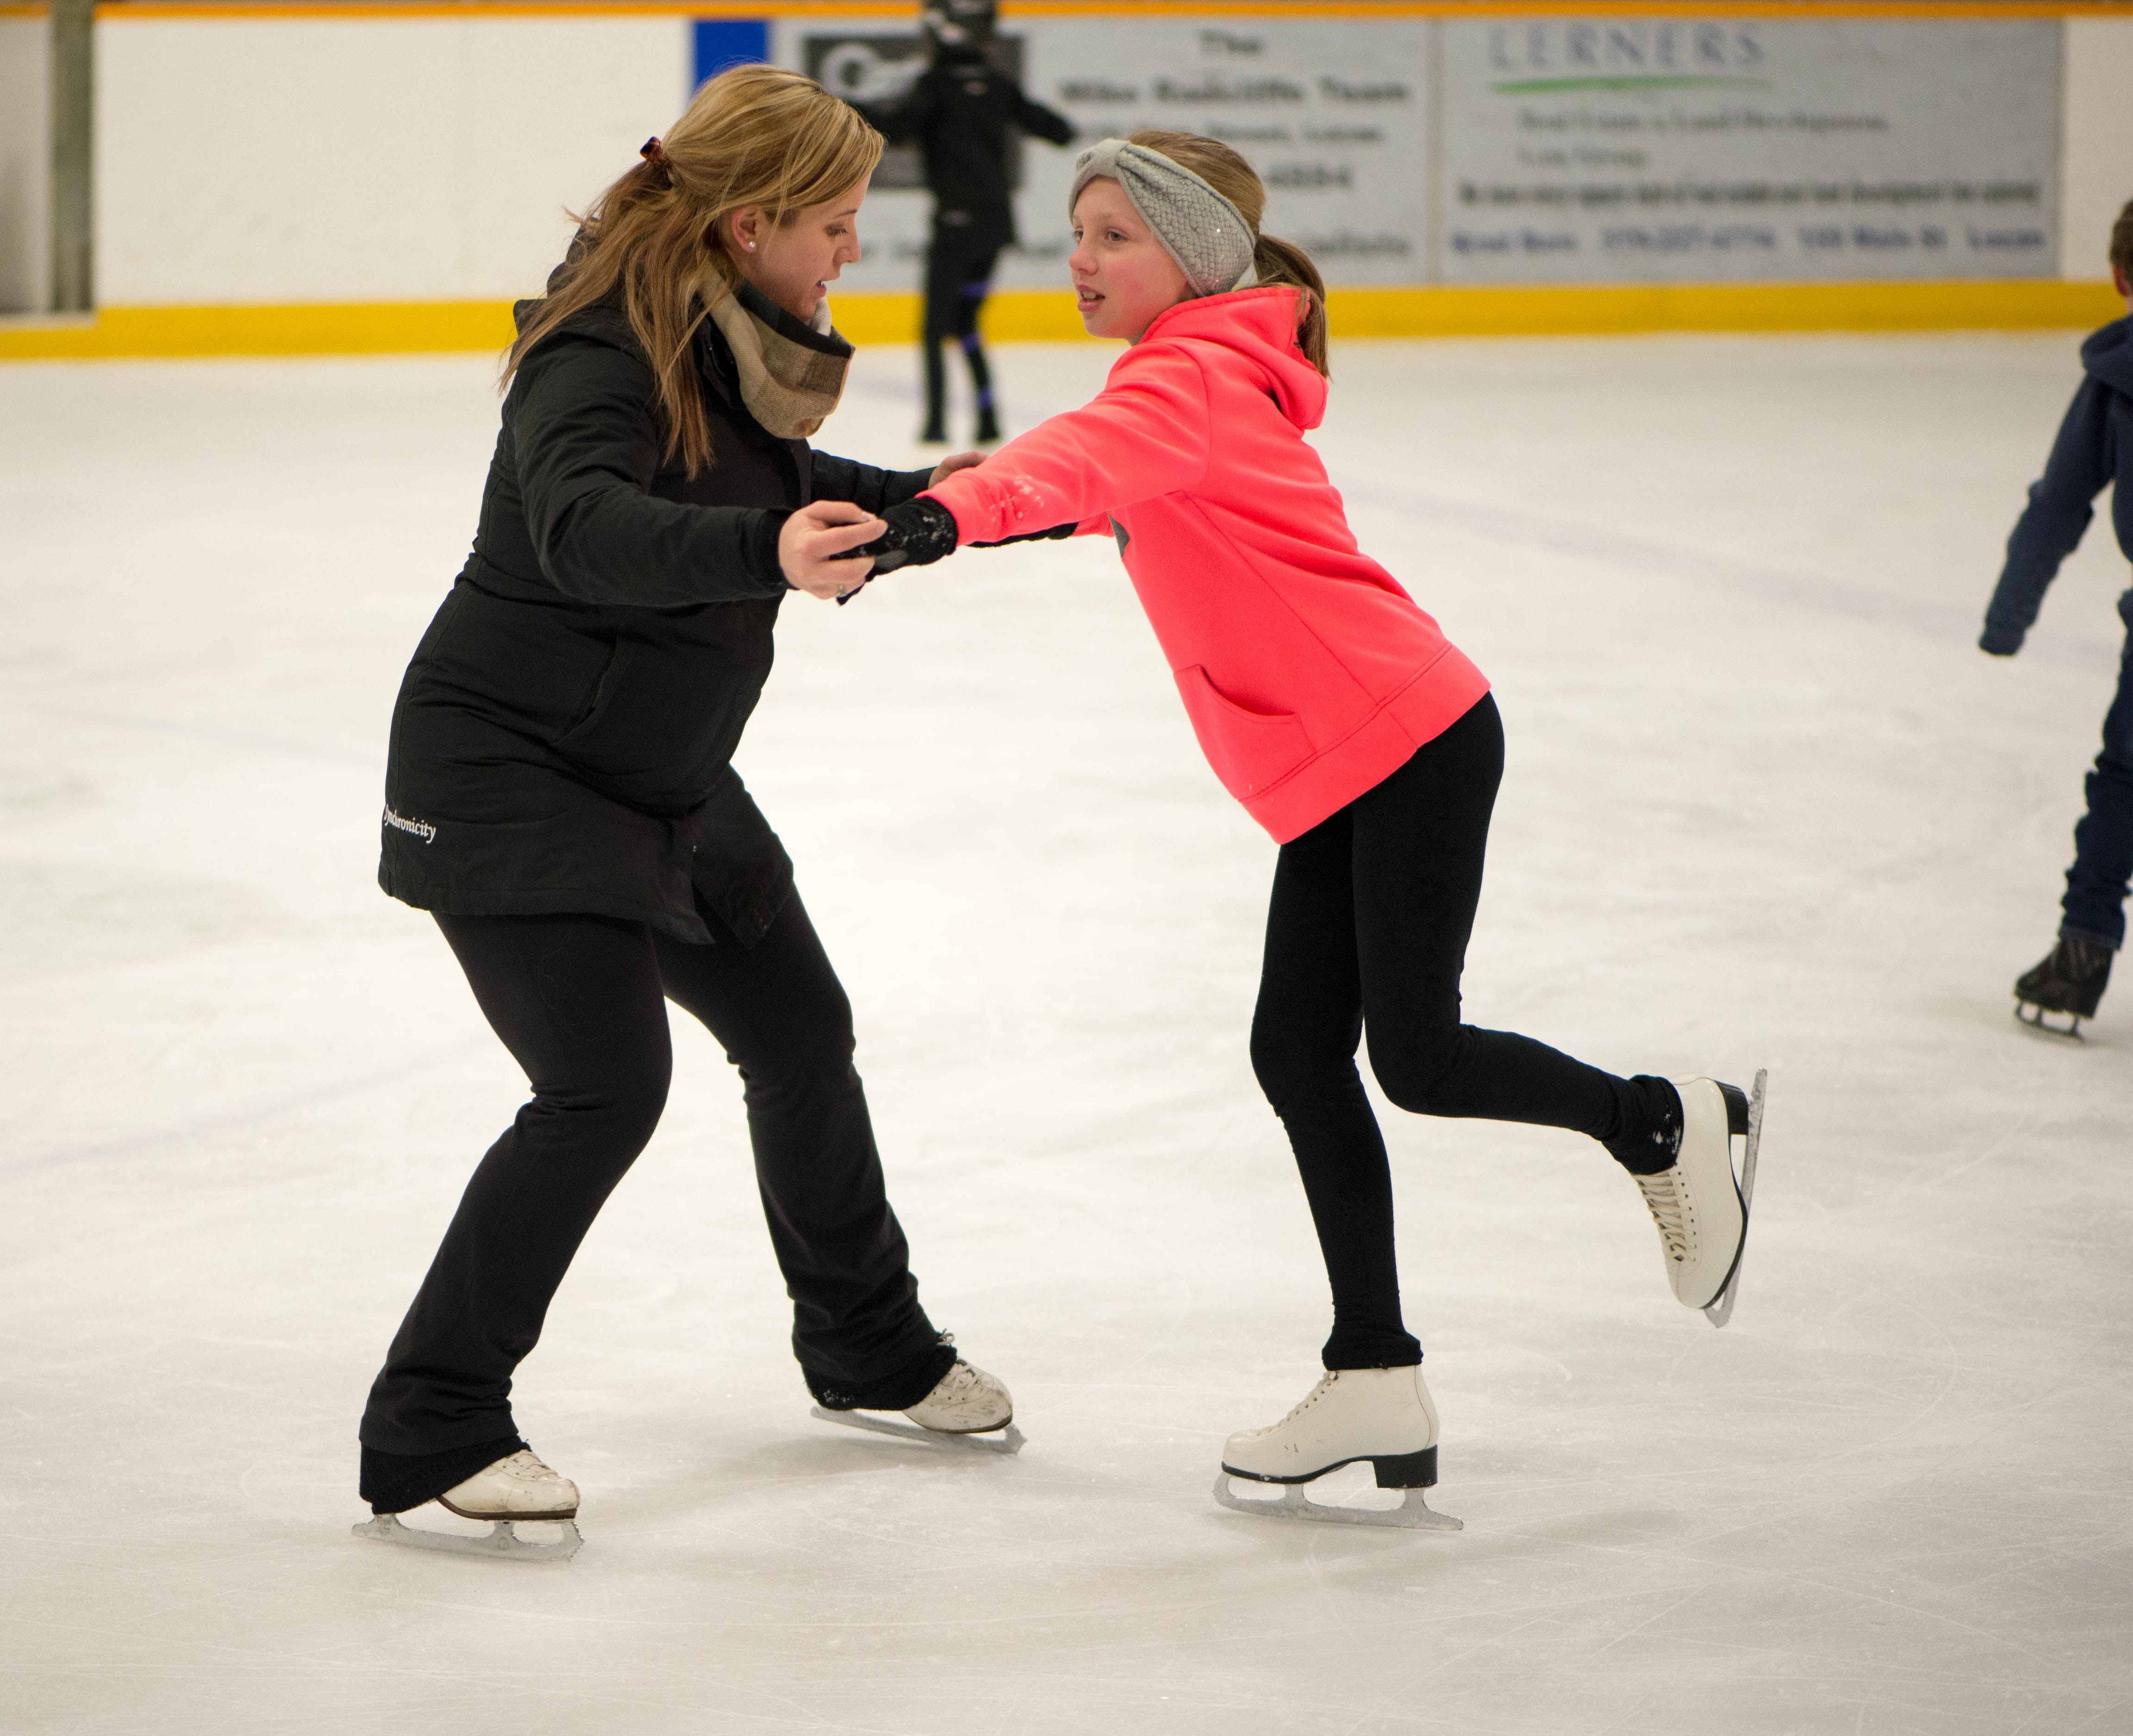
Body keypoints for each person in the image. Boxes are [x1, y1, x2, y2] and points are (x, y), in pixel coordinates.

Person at [845, 132, 1764, 1529]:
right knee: (1299, 1048)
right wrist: (975, 502)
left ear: (1192, 255)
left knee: (1417, 1054)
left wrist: (943, 518)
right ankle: (1372, 1374)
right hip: (1360, 755)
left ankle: (1655, 1117)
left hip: (1401, 740)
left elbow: (1088, 457)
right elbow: (1097, 478)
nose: (1078, 259)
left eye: (1110, 235)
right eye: (1075, 232)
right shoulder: (1196, 374)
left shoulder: (1187, 372)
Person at [357, 65, 1015, 1560]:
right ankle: (431, 1424)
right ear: (746, 223)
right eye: (836, 224)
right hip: (509, 774)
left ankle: (867, 1343)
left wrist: (957, 501)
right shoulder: (592, 354)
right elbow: (592, 531)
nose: (852, 250)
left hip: (661, 775)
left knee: (797, 1029)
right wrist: (769, 547)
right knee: (602, 1085)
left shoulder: (721, 342)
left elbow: (782, 484)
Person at [1981, 197, 2133, 1040]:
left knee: (2122, 780)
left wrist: (2007, 618)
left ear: (2116, 278)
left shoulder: (2115, 376)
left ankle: (2080, 955)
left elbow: (2057, 504)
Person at [861, 0, 1073, 446]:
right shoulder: (997, 85)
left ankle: (937, 423)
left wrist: (847, 108)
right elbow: (1057, 130)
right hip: (995, 227)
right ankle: (988, 418)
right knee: (967, 322)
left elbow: (896, 130)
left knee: (934, 327)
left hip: (956, 223)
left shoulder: (935, 86)